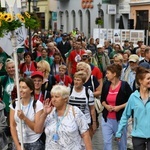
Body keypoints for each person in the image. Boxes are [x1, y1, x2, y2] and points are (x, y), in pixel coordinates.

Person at [34, 85, 93, 150]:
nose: (53, 99)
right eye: (52, 97)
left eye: (57, 97)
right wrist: (44, 114)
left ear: (65, 99)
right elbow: (37, 130)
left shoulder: (75, 112)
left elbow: (85, 134)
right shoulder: (49, 113)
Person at [116, 67, 150, 150]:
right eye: (148, 79)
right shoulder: (133, 97)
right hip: (137, 135)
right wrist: (119, 132)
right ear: (140, 80)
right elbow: (125, 115)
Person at [101, 63, 132, 150]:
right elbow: (102, 99)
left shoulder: (124, 85)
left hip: (120, 120)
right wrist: (106, 106)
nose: (106, 75)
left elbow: (131, 101)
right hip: (106, 118)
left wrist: (119, 107)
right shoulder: (106, 84)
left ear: (114, 74)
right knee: (107, 142)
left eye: (108, 73)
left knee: (121, 144)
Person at [9, 78, 44, 150]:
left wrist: (24, 118)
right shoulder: (14, 103)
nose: (21, 90)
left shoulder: (37, 105)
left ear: (31, 90)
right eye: (20, 87)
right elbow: (12, 126)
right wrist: (17, 145)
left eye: (24, 87)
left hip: (34, 142)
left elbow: (36, 128)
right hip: (18, 141)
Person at [69, 71, 96, 137]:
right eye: (75, 79)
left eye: (78, 80)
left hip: (85, 121)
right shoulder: (69, 90)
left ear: (83, 82)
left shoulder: (88, 92)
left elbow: (92, 109)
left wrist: (94, 122)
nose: (76, 82)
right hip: (71, 122)